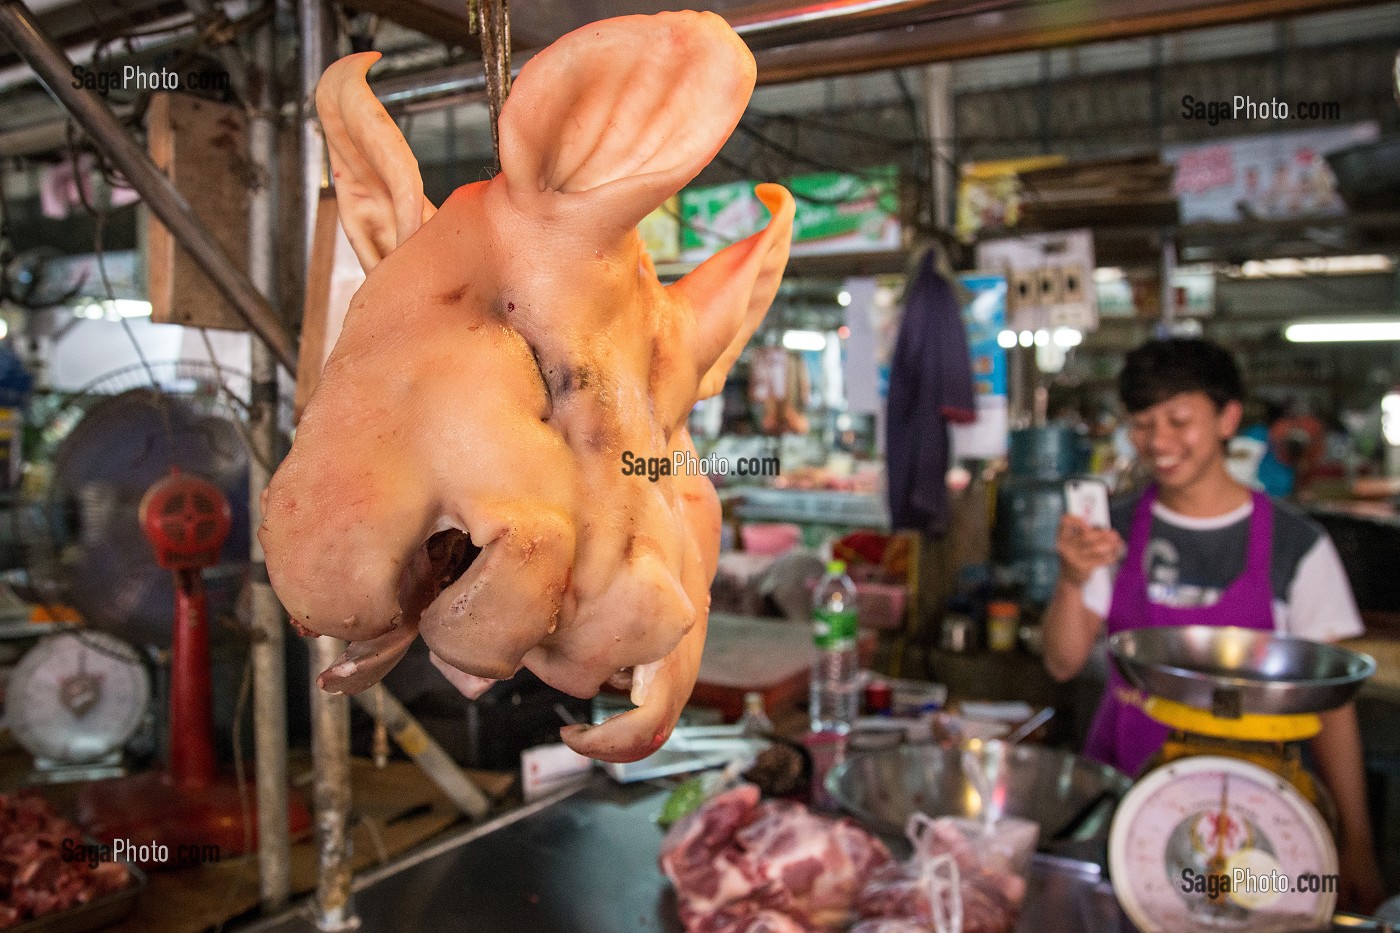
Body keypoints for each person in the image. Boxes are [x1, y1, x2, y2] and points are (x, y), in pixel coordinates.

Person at [1042, 337, 1387, 913]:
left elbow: (1332, 709)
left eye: (1179, 420)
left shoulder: (1298, 545)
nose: (1159, 443)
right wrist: (1072, 579)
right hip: (1128, 800)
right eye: (1143, 424)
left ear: (1228, 418)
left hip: (1258, 823)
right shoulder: (1110, 530)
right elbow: (1062, 662)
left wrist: (1356, 846)